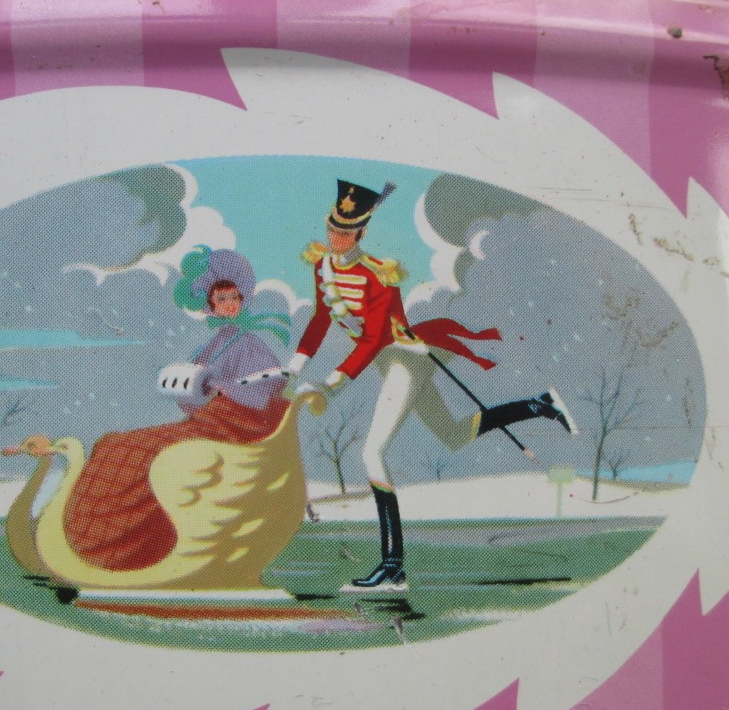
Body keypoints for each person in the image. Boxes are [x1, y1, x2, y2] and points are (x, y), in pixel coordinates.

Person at [288, 180, 577, 591]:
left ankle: (393, 565)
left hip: (403, 359)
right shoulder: (323, 267)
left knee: (372, 453)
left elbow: (373, 340)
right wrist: (294, 366)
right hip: (387, 364)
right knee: (453, 435)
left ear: (362, 233)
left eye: (346, 233)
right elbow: (321, 320)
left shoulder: (379, 275)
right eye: (333, 229)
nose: (336, 239)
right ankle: (538, 405)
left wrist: (331, 384)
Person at [62, 247, 289, 573]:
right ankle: (96, 536)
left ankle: (119, 545)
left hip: (233, 426)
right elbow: (195, 394)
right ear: (209, 304)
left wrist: (224, 389)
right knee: (113, 443)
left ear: (243, 298)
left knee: (138, 450)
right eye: (221, 299)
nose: (229, 304)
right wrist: (191, 386)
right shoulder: (215, 343)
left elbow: (269, 386)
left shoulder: (250, 343)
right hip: (204, 421)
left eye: (233, 297)